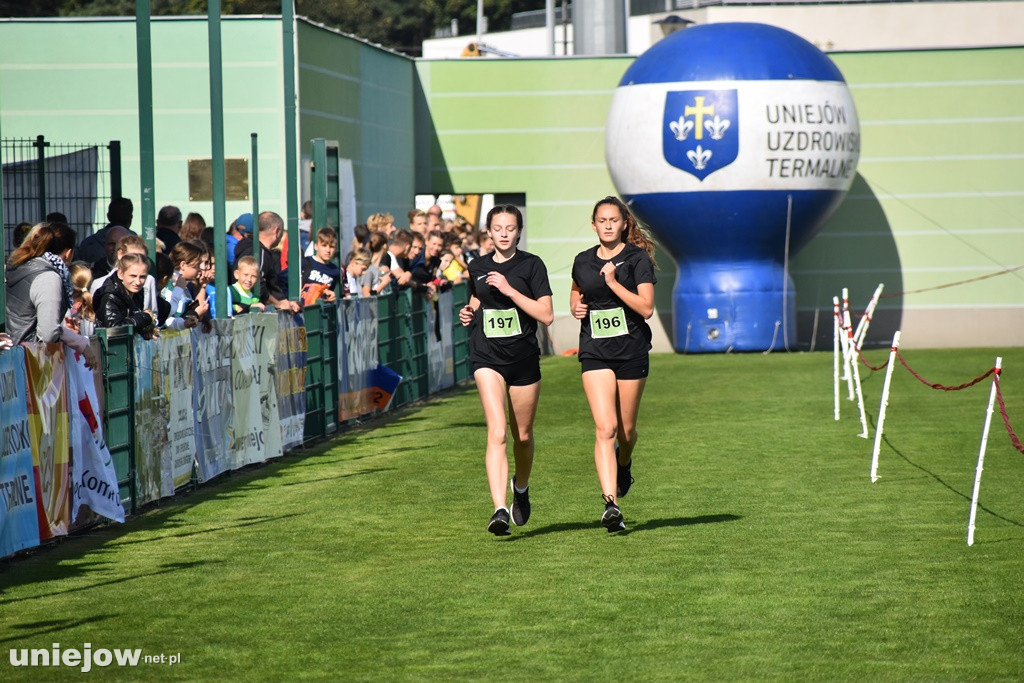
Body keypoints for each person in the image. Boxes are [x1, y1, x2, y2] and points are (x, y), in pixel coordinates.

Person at [458, 205, 553, 536]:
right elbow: (477, 298)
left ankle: (521, 488)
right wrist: (469, 312)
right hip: (487, 356)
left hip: (524, 358)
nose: (503, 233)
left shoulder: (531, 265)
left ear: (518, 231)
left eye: (509, 228)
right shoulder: (478, 266)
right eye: (497, 227)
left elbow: (546, 314)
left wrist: (511, 290)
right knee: (497, 430)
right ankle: (499, 508)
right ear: (488, 231)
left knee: (522, 436)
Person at [569, 196, 658, 533]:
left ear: (624, 224)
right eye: (601, 220)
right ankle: (611, 505)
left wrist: (613, 283)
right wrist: (577, 307)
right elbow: (577, 292)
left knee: (626, 430)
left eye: (613, 220)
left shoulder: (637, 260)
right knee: (605, 428)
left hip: (631, 350)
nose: (607, 225)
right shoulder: (582, 260)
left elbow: (646, 308)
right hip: (594, 351)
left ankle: (625, 462)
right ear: (594, 225)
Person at [4, 222, 97, 367]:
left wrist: (79, 342)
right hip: (27, 362)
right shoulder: (48, 277)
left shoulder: (20, 266)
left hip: (11, 354)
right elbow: (48, 333)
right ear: (68, 253)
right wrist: (79, 342)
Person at [234, 211, 301, 312]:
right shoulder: (258, 252)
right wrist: (278, 303)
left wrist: (284, 301)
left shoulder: (254, 249)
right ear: (277, 231)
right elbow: (257, 284)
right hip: (251, 315)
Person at [94, 254, 158, 339]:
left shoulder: (137, 292)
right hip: (110, 350)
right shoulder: (109, 296)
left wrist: (144, 332)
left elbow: (132, 324)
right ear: (120, 274)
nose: (138, 282)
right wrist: (143, 317)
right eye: (133, 276)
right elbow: (114, 330)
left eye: (142, 277)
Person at [75, 197, 133, 264]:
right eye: (112, 244)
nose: (116, 249)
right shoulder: (135, 242)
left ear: (108, 216)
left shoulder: (88, 243)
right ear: (130, 218)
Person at [301, 227, 342, 305]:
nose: (328, 250)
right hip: (302, 311)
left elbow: (330, 292)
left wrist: (331, 297)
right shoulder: (305, 263)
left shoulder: (335, 271)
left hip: (321, 313)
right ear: (316, 246)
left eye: (331, 246)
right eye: (324, 245)